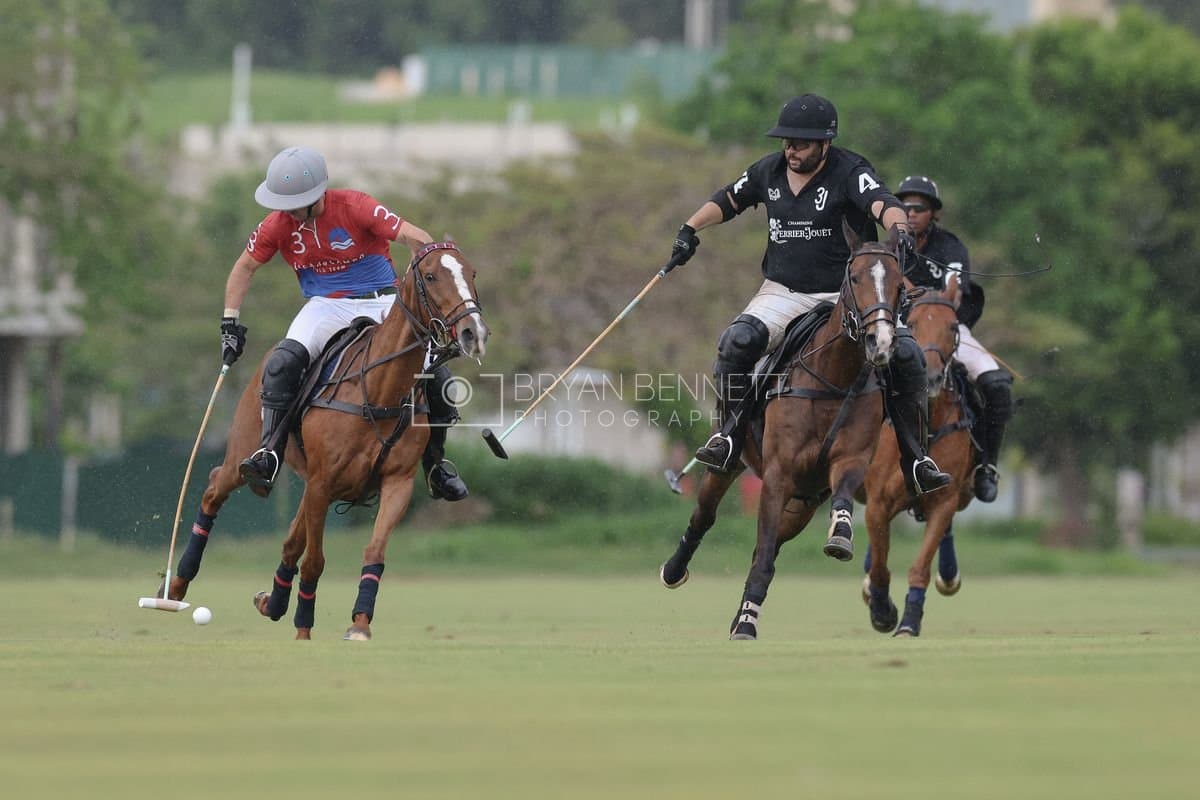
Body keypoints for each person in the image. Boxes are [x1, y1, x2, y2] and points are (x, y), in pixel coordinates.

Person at [669, 93, 951, 497]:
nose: (790, 149)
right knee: (736, 342)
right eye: (786, 141)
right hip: (783, 291)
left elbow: (885, 204)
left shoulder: (850, 171)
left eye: (800, 143)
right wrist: (689, 229)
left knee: (906, 357)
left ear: (825, 143)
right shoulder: (769, 171)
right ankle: (728, 436)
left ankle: (916, 458)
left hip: (846, 297)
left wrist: (901, 231)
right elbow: (728, 199)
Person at [219, 146, 469, 501]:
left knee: (436, 375)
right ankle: (269, 453)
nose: (287, 212)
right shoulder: (277, 224)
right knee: (282, 362)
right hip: (325, 306)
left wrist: (433, 280)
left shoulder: (356, 206)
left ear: (317, 195)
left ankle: (436, 465)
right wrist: (230, 322)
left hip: (383, 301)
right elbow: (245, 266)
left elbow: (419, 237)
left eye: (294, 204)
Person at [895, 174, 1013, 502]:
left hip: (945, 331)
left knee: (997, 386)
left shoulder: (949, 247)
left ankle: (985, 467)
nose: (911, 213)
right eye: (904, 207)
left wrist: (932, 294)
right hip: (896, 331)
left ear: (934, 213)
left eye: (919, 207)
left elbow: (954, 287)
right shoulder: (889, 248)